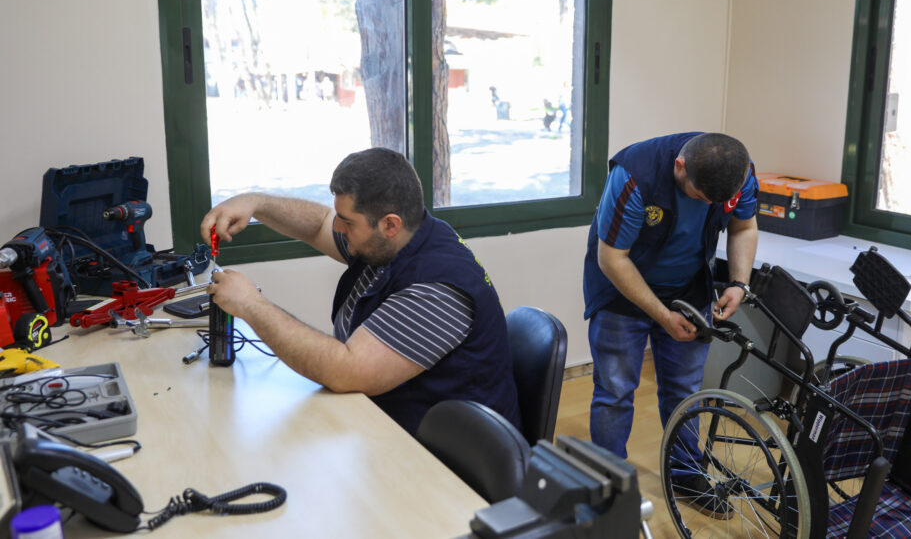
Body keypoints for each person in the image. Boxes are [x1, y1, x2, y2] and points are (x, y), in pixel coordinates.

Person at [200, 148, 521, 436]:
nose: (338, 228)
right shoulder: (403, 237)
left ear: (390, 225)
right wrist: (256, 203)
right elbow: (318, 223)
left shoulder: (437, 290)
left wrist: (251, 305)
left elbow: (346, 371)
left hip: (447, 464)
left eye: (348, 222)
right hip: (387, 426)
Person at [582, 132, 758, 493]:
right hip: (621, 288)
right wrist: (662, 315)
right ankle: (608, 483)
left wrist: (739, 283)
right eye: (699, 197)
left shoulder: (741, 174)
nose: (706, 204)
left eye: (715, 202)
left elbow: (744, 227)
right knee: (615, 392)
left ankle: (686, 477)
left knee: (685, 390)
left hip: (689, 287)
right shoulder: (634, 175)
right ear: (680, 166)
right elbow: (612, 258)